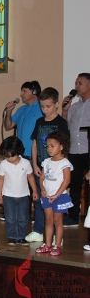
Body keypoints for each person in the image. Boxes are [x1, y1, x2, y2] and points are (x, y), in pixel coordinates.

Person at [27, 87, 70, 242]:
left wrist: (60, 167)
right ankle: (39, 231)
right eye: (42, 106)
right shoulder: (39, 122)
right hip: (41, 167)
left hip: (56, 171)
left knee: (56, 203)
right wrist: (35, 164)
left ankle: (57, 237)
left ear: (56, 104)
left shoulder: (61, 123)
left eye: (48, 106)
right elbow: (34, 144)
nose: (45, 110)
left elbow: (65, 145)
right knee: (40, 199)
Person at [35, 131, 73, 256]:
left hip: (59, 197)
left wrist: (56, 195)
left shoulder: (64, 163)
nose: (49, 149)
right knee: (48, 220)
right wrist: (43, 189)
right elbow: (42, 178)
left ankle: (57, 245)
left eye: (53, 146)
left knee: (58, 221)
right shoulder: (46, 162)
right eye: (48, 146)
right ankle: (47, 244)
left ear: (61, 146)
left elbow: (67, 180)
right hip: (47, 196)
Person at [62, 73, 90, 227]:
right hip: (74, 150)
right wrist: (65, 111)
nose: (76, 86)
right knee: (74, 184)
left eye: (80, 83)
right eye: (76, 83)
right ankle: (73, 216)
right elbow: (65, 127)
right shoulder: (74, 107)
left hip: (88, 149)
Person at [0, 137, 37, 246]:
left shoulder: (26, 163)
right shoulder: (3, 164)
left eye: (12, 156)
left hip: (23, 196)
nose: (9, 159)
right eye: (6, 156)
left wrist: (35, 191)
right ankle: (12, 237)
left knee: (23, 218)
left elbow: (30, 177)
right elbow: (0, 179)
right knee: (10, 218)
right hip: (8, 196)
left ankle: (21, 237)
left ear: (18, 151)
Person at [4, 81, 43, 158]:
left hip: (35, 154)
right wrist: (8, 112)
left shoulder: (42, 108)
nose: (21, 94)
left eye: (24, 91)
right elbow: (8, 126)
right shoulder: (21, 110)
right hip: (19, 154)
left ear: (34, 92)